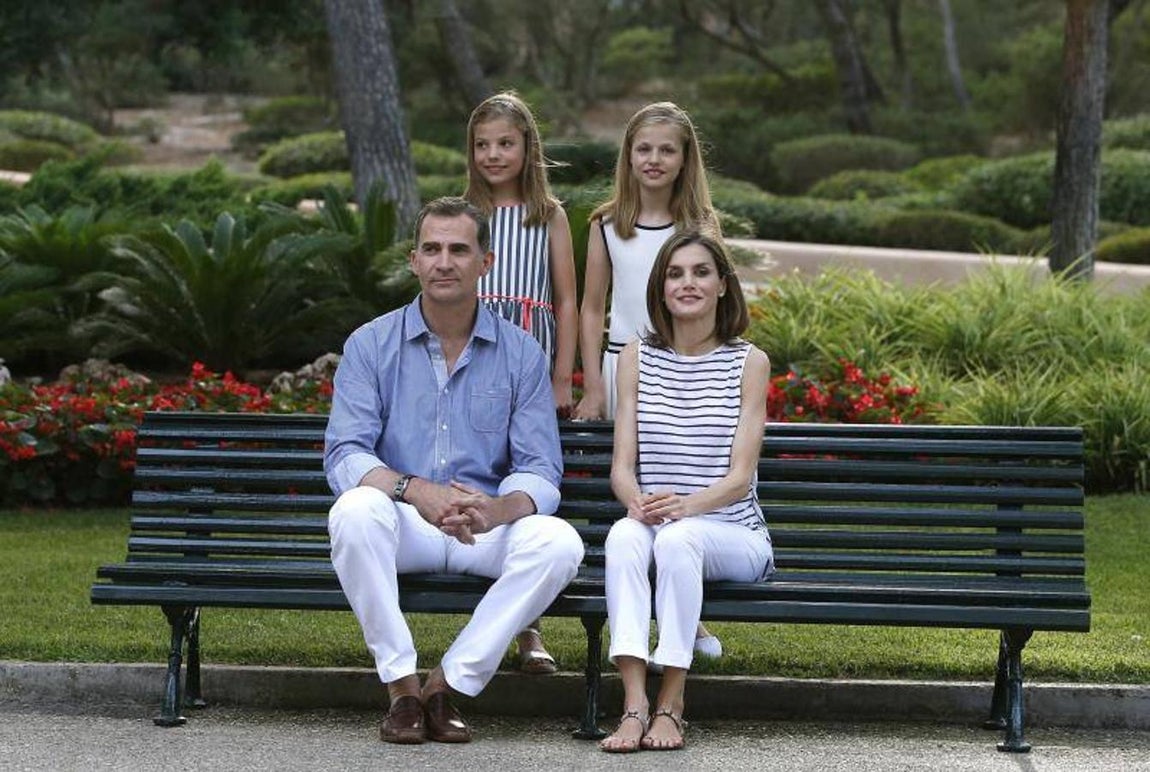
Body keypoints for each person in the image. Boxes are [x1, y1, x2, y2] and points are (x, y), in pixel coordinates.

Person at [324, 196, 585, 745]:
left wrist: (498, 510)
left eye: (459, 250)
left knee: (559, 543)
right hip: (406, 522)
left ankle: (446, 685)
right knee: (354, 511)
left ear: (485, 263)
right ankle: (401, 688)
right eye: (432, 249)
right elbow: (346, 453)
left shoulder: (521, 353)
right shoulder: (370, 344)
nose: (444, 262)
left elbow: (540, 466)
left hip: (480, 527)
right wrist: (414, 490)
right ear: (414, 260)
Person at [598, 230, 774, 753]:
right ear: (661, 287)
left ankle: (672, 701)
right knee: (622, 536)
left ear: (722, 285)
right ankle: (634, 705)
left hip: (732, 532)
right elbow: (621, 468)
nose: (687, 283)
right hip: (658, 523)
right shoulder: (636, 357)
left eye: (701, 272)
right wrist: (635, 501)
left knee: (680, 539)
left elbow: (740, 478)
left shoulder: (749, 362)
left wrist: (683, 508)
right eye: (675, 274)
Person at [573, 100, 725, 661]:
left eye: (666, 150)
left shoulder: (699, 227)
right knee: (627, 494)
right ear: (628, 156)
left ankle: (687, 615)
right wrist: (594, 386)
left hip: (685, 372)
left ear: (685, 159)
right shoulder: (608, 225)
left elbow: (712, 302)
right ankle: (626, 613)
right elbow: (593, 307)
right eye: (643, 149)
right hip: (623, 366)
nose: (654, 159)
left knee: (677, 486)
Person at [464, 91, 579, 674]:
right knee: (479, 477)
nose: (493, 154)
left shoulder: (547, 215)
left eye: (505, 143)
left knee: (526, 484)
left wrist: (563, 378)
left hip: (531, 365)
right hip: (473, 361)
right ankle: (493, 616)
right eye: (482, 144)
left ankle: (529, 627)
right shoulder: (466, 214)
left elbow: (567, 299)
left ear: (527, 146)